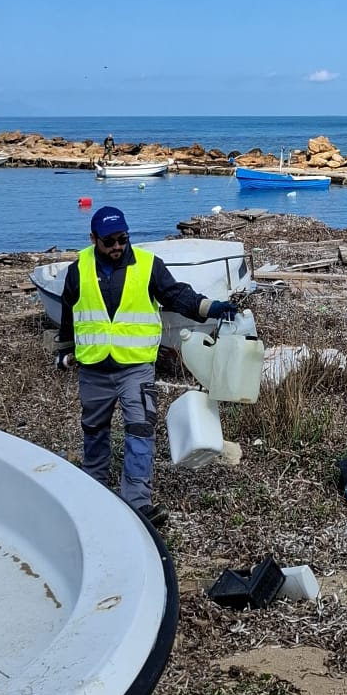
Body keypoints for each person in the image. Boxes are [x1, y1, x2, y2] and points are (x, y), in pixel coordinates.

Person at [55, 206, 239, 526]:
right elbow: (70, 311)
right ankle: (93, 491)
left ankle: (138, 503)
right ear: (93, 239)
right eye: (109, 241)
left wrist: (211, 308)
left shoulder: (148, 266)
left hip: (135, 367)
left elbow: (177, 296)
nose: (117, 247)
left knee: (140, 430)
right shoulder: (78, 269)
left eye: (123, 239)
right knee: (95, 431)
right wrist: (64, 349)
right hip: (94, 368)